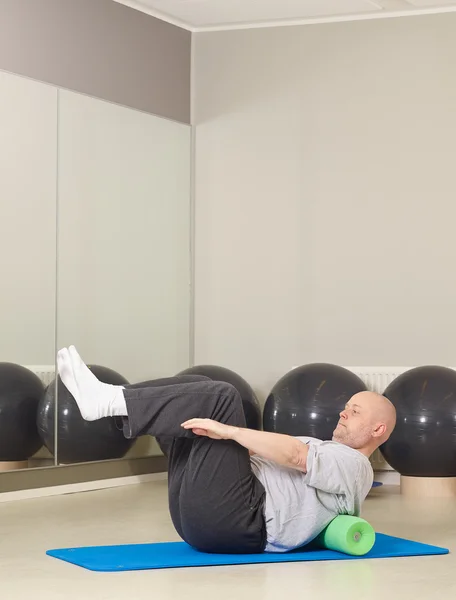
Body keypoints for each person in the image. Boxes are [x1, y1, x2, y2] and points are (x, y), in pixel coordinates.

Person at [56, 346, 396, 555]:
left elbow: (295, 456)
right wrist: (228, 444)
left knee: (222, 396)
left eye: (355, 412)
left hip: (240, 524)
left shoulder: (355, 467)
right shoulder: (328, 450)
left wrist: (229, 431)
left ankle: (111, 401)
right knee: (199, 387)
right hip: (206, 518)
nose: (343, 412)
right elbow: (273, 461)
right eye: (346, 407)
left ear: (377, 430)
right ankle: (115, 401)